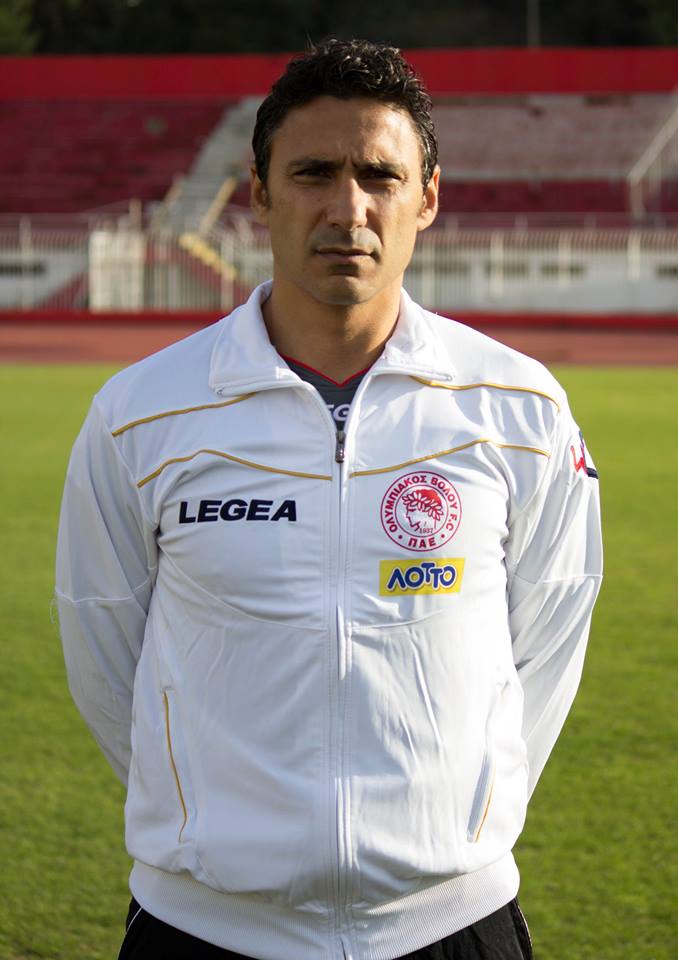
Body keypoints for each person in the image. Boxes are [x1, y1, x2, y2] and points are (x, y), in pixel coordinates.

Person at [56, 39, 603, 960]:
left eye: (380, 176)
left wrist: (458, 826)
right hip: (203, 928)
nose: (348, 208)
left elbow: (546, 647)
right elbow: (103, 652)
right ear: (260, 193)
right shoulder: (142, 414)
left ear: (427, 197)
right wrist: (213, 829)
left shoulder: (518, 409)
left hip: (451, 923)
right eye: (313, 173)